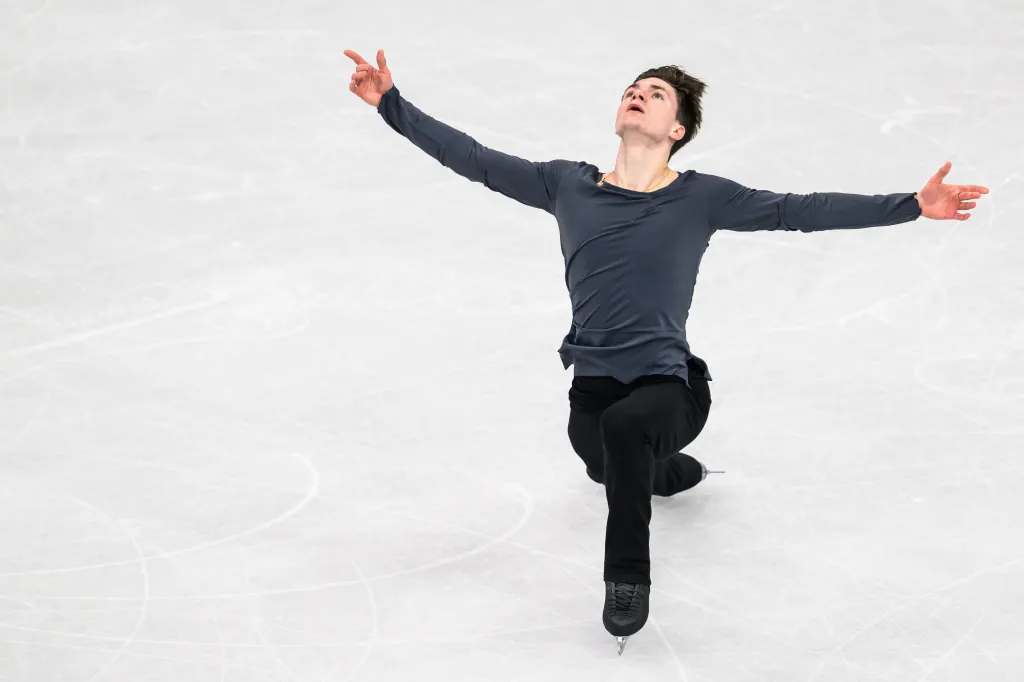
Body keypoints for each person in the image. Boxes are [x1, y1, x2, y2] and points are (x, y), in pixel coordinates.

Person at [344, 48, 989, 654]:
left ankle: (627, 578)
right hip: (593, 387)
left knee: (628, 430)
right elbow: (473, 158)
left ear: (676, 130)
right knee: (605, 460)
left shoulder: (701, 197)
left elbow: (800, 209)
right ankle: (676, 474)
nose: (637, 94)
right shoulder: (566, 184)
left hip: (671, 388)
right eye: (632, 89)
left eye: (655, 94)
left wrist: (911, 205)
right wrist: (390, 104)